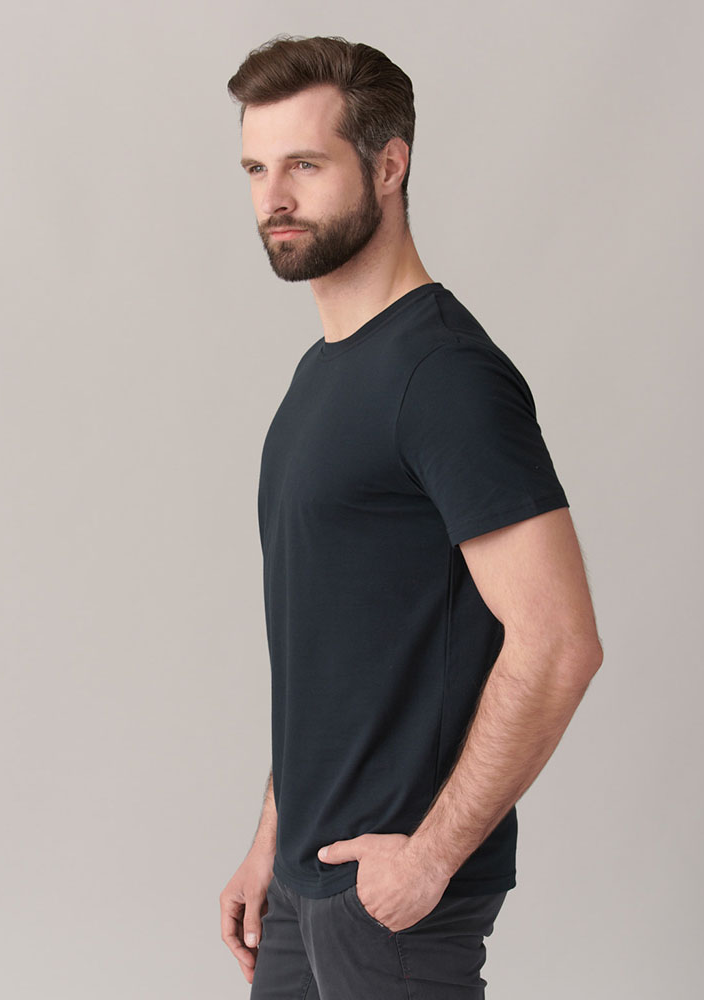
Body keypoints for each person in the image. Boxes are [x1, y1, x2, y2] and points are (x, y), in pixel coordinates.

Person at [219, 34, 604, 1000]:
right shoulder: (321, 375)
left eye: (306, 165)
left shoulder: (444, 377)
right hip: (306, 884)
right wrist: (269, 842)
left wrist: (429, 858)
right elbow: (332, 655)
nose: (274, 198)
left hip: (391, 901)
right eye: (257, 169)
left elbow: (560, 643)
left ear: (389, 167)